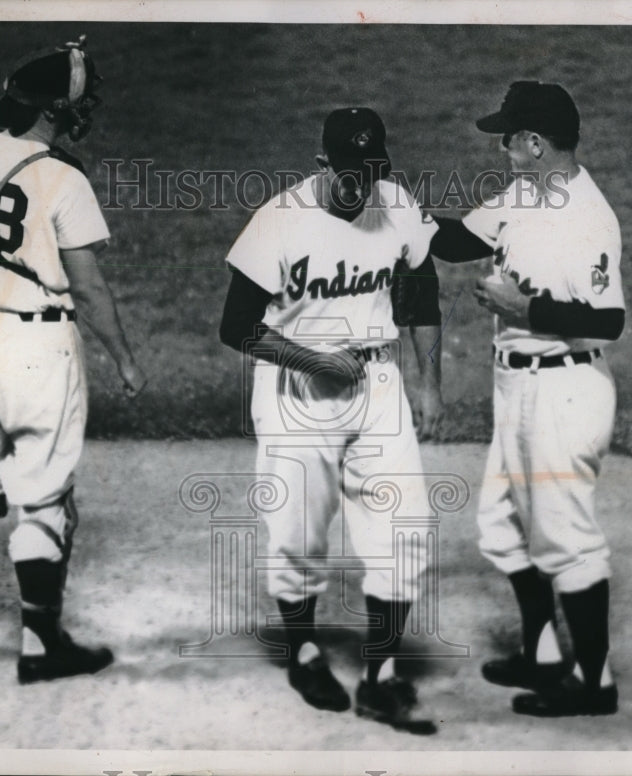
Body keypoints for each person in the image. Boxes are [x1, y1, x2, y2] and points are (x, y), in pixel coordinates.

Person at [0, 36, 147, 684]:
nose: (84, 114)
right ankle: (41, 643)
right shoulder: (63, 175)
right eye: (75, 105)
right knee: (44, 495)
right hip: (39, 349)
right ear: (52, 110)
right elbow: (87, 286)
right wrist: (125, 360)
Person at [219, 107, 444, 734]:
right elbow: (235, 327)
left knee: (407, 532)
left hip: (377, 384)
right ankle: (303, 651)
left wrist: (429, 382)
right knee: (296, 534)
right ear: (323, 164)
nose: (360, 186)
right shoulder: (279, 221)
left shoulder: (395, 201)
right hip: (296, 393)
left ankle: (381, 674)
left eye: (371, 172)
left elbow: (421, 289)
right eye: (349, 173)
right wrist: (313, 360)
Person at [430, 81, 625, 716]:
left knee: (565, 536)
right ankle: (542, 656)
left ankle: (594, 685)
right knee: (504, 526)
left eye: (509, 139)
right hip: (517, 387)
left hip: (566, 388)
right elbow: (461, 242)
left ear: (535, 143)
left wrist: (525, 307)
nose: (503, 149)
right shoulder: (525, 193)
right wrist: (397, 213)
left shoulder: (585, 215)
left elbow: (609, 319)